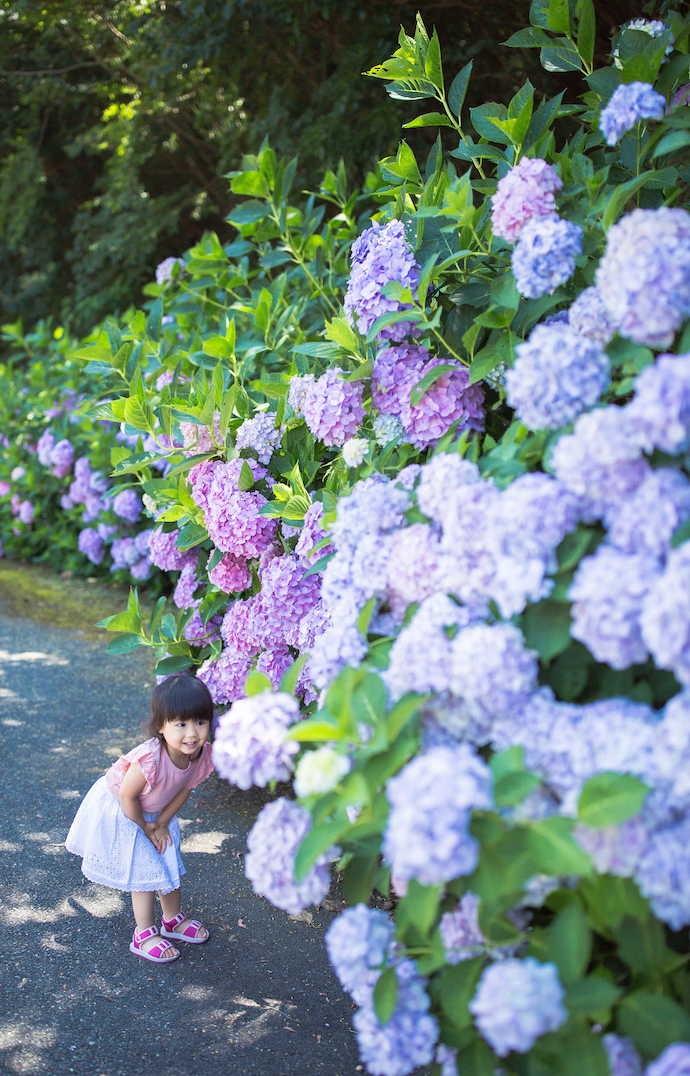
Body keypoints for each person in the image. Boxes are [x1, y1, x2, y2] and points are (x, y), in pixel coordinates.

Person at [65, 675, 215, 964]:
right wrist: (145, 827)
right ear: (161, 727)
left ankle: (172, 920)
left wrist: (161, 823)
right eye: (180, 724)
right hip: (125, 811)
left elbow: (185, 789)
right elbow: (126, 796)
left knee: (168, 861)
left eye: (200, 722)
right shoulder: (150, 758)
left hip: (156, 813)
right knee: (144, 873)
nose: (192, 733)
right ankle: (143, 934)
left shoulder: (198, 755)